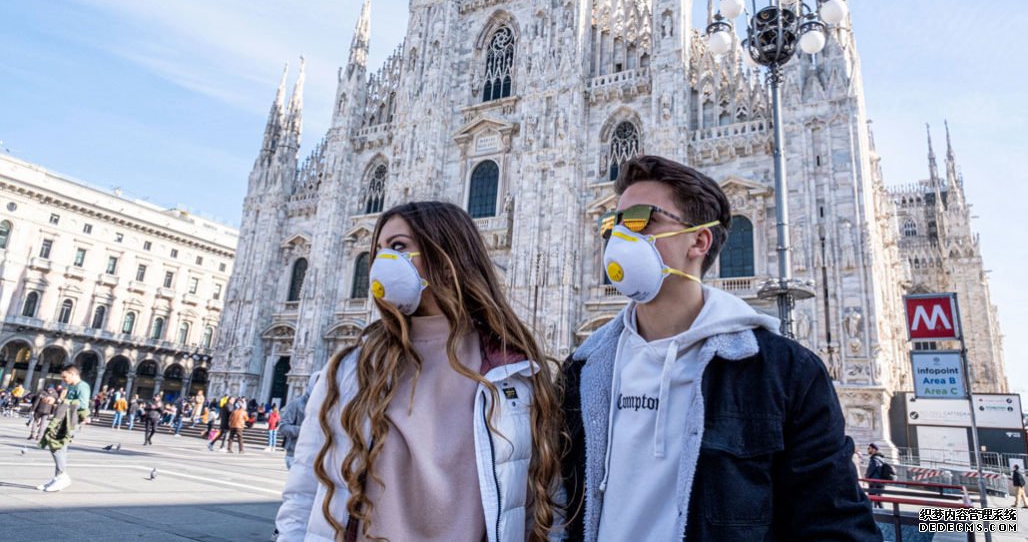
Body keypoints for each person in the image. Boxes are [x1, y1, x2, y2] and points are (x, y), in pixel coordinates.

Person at [560, 156, 879, 540]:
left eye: (641, 219)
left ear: (699, 240)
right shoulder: (582, 371)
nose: (619, 237)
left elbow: (835, 524)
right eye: (613, 224)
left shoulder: (785, 373)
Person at [276, 202, 564, 542]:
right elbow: (304, 493)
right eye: (378, 251)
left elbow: (543, 504)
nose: (383, 262)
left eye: (398, 247)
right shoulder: (352, 369)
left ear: (447, 254)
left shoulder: (513, 373)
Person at [37, 365, 90, 492]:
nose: (63, 379)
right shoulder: (70, 386)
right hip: (63, 419)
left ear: (73, 374)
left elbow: (83, 404)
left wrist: (62, 403)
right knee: (59, 447)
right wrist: (55, 401)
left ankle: (62, 476)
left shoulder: (82, 386)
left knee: (56, 445)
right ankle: (58, 477)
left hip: (71, 421)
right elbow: (66, 402)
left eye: (65, 376)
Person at [279, 377, 318, 470]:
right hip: (296, 453)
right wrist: (305, 430)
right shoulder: (297, 403)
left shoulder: (327, 405)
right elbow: (283, 427)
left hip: (318, 455)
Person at [865, 443, 888, 508]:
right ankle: (882, 513)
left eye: (869, 448)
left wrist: (866, 477)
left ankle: (872, 514)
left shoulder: (874, 459)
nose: (868, 450)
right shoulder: (880, 458)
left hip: (874, 483)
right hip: (880, 483)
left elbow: (870, 470)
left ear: (874, 450)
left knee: (872, 499)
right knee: (878, 500)